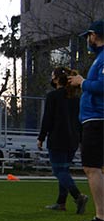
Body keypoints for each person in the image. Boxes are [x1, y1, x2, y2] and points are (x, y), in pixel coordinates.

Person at [68, 20, 104, 221]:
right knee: (97, 168)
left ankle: (101, 217)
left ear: (95, 35)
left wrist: (82, 82)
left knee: (92, 168)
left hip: (97, 120)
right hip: (95, 119)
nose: (88, 41)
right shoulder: (99, 59)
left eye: (89, 36)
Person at [37, 67, 87, 213]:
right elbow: (80, 121)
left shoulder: (53, 96)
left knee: (59, 171)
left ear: (57, 79)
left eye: (53, 76)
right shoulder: (76, 99)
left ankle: (78, 196)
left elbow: (47, 119)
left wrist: (41, 137)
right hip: (72, 140)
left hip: (57, 138)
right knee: (64, 169)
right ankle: (61, 202)